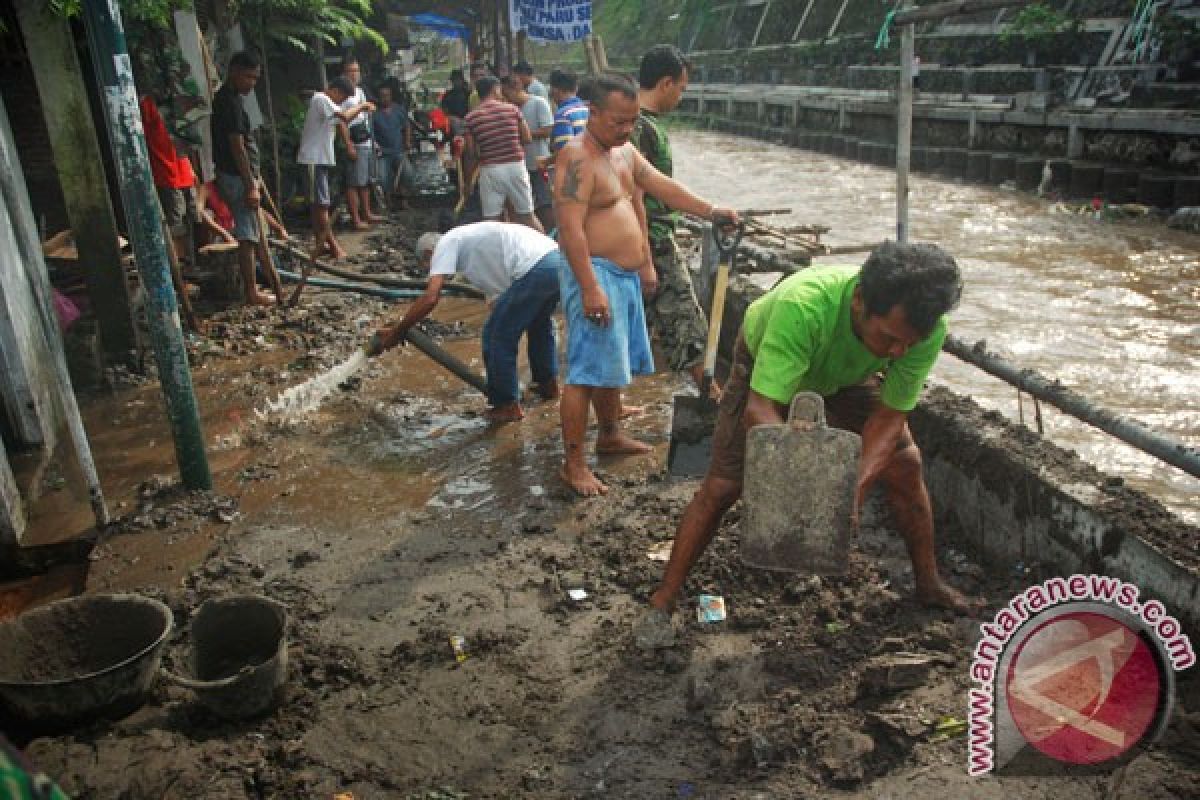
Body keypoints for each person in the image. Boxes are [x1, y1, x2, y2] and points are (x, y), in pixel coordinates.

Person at [636, 242, 975, 648]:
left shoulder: (924, 332)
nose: (899, 352)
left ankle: (928, 582)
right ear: (859, 302)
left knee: (905, 461)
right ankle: (663, 598)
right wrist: (796, 488)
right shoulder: (803, 306)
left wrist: (848, 489)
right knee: (725, 484)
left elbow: (889, 417)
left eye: (908, 343)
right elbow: (760, 411)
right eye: (890, 338)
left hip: (849, 374)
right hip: (768, 363)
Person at [551, 72, 738, 497]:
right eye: (618, 121)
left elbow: (658, 188)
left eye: (632, 120)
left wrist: (710, 211)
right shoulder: (575, 160)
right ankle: (573, 464)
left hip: (625, 275)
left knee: (609, 363)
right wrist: (589, 287)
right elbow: (571, 231)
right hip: (594, 273)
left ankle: (611, 433)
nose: (627, 129)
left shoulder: (625, 152)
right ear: (593, 112)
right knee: (583, 372)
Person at [368, 222, 561, 422]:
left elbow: (430, 298)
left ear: (428, 254)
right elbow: (499, 299)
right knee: (539, 325)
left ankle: (507, 406)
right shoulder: (472, 249)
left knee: (496, 336)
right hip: (556, 262)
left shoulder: (447, 242)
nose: (435, 272)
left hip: (536, 267)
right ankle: (548, 386)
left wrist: (397, 332)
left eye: (430, 266)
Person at [633, 45, 714, 395]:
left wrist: (709, 211)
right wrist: (646, 258)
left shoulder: (639, 124)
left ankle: (615, 411)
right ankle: (712, 398)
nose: (681, 97)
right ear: (666, 83)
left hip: (648, 239)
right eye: (681, 88)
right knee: (686, 321)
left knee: (637, 324)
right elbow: (637, 193)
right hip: (650, 240)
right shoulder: (638, 127)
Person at [210, 50, 276, 306]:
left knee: (252, 232)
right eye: (249, 77)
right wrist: (251, 185)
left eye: (255, 78)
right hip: (237, 177)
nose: (252, 83)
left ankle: (256, 285)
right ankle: (251, 292)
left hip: (238, 176)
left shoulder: (230, 99)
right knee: (248, 236)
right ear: (235, 72)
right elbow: (237, 146)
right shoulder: (229, 102)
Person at [297, 76, 374, 261]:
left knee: (318, 205)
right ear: (335, 91)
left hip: (318, 160)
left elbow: (343, 121)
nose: (340, 102)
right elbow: (345, 117)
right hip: (314, 159)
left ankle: (321, 243)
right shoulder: (322, 100)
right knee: (322, 206)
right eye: (342, 98)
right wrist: (362, 106)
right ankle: (333, 246)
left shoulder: (324, 102)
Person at [464, 76, 542, 232]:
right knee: (527, 216)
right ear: (495, 90)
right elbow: (527, 138)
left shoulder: (471, 117)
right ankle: (548, 250)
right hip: (516, 167)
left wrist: (467, 183)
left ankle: (496, 255)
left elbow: (471, 153)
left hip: (490, 170)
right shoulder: (512, 109)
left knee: (491, 221)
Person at [502, 74, 555, 231]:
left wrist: (524, 135)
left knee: (545, 202)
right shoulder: (513, 108)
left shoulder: (538, 103)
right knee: (525, 205)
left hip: (539, 161)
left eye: (507, 95)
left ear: (517, 88)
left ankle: (551, 235)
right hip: (521, 164)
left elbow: (547, 130)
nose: (506, 99)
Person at [339, 56, 381, 230]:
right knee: (353, 183)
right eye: (351, 71)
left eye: (356, 71)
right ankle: (356, 218)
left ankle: (367, 212)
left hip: (365, 138)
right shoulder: (342, 94)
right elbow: (341, 121)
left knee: (365, 181)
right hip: (353, 140)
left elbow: (365, 116)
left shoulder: (360, 92)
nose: (354, 74)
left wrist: (373, 141)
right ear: (344, 73)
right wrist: (348, 144)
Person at [373, 84, 413, 209]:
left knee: (407, 174)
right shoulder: (374, 113)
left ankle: (404, 200)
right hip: (383, 152)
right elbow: (371, 132)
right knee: (383, 177)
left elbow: (406, 126)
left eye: (387, 96)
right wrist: (376, 145)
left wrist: (407, 141)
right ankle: (388, 201)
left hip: (399, 149)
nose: (385, 98)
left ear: (391, 96)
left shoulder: (399, 110)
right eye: (382, 96)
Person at [549, 69, 588, 153]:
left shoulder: (563, 114)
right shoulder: (588, 109)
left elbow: (565, 150)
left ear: (555, 90)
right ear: (576, 88)